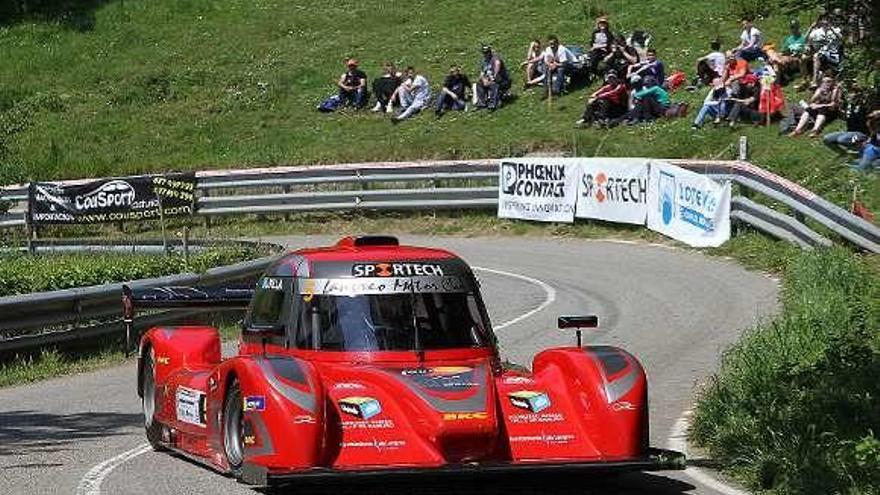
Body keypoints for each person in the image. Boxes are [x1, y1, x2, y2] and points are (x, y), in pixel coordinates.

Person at [802, 16, 843, 89]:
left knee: (816, 56)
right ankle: (814, 82)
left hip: (833, 54)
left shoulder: (836, 30)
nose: (825, 24)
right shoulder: (816, 32)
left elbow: (841, 39)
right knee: (815, 57)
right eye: (824, 22)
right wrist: (811, 28)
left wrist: (832, 29)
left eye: (827, 22)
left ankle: (815, 81)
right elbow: (805, 41)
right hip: (821, 55)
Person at [766, 19, 807, 85]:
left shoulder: (803, 38)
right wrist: (775, 55)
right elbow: (783, 52)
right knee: (771, 52)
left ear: (798, 27)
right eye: (792, 27)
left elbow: (805, 51)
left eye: (795, 27)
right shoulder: (789, 39)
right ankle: (778, 78)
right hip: (786, 58)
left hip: (796, 59)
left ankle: (777, 79)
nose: (793, 29)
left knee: (775, 61)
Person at [475, 45, 511, 110]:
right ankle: (481, 103)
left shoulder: (495, 58)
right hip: (489, 79)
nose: (485, 54)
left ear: (490, 52)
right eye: (484, 53)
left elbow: (497, 64)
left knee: (494, 84)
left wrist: (494, 77)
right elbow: (482, 73)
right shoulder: (484, 61)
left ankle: (493, 104)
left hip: (502, 80)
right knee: (479, 83)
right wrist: (483, 79)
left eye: (487, 52)